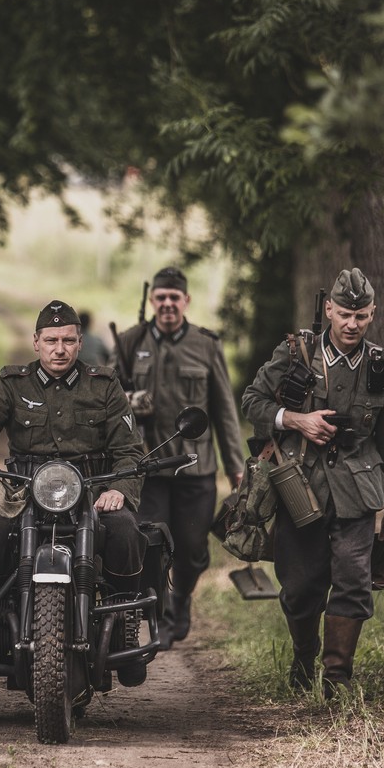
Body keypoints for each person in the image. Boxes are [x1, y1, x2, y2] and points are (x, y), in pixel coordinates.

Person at [0, 300, 149, 683]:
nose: (59, 348)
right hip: (26, 491)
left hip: (90, 491)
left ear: (80, 343)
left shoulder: (103, 385)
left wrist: (119, 490)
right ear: (36, 342)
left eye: (68, 340)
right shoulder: (14, 384)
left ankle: (124, 619)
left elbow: (128, 449)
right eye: (51, 340)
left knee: (126, 531)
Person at [240, 267, 384, 697]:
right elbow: (252, 402)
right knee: (298, 587)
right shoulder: (295, 353)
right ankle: (303, 653)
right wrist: (298, 420)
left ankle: (337, 679)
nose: (352, 324)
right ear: (329, 309)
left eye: (362, 316)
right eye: (345, 315)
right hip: (300, 487)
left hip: (358, 494)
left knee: (353, 581)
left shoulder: (382, 366)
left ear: (372, 315)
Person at [117, 266, 244, 648]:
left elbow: (223, 409)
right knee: (151, 544)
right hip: (148, 465)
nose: (168, 304)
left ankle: (182, 600)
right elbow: (104, 399)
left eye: (175, 297)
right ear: (152, 301)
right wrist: (128, 401)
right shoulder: (128, 341)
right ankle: (161, 613)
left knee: (192, 548)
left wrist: (236, 466)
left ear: (186, 301)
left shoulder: (205, 345)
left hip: (195, 465)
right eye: (161, 297)